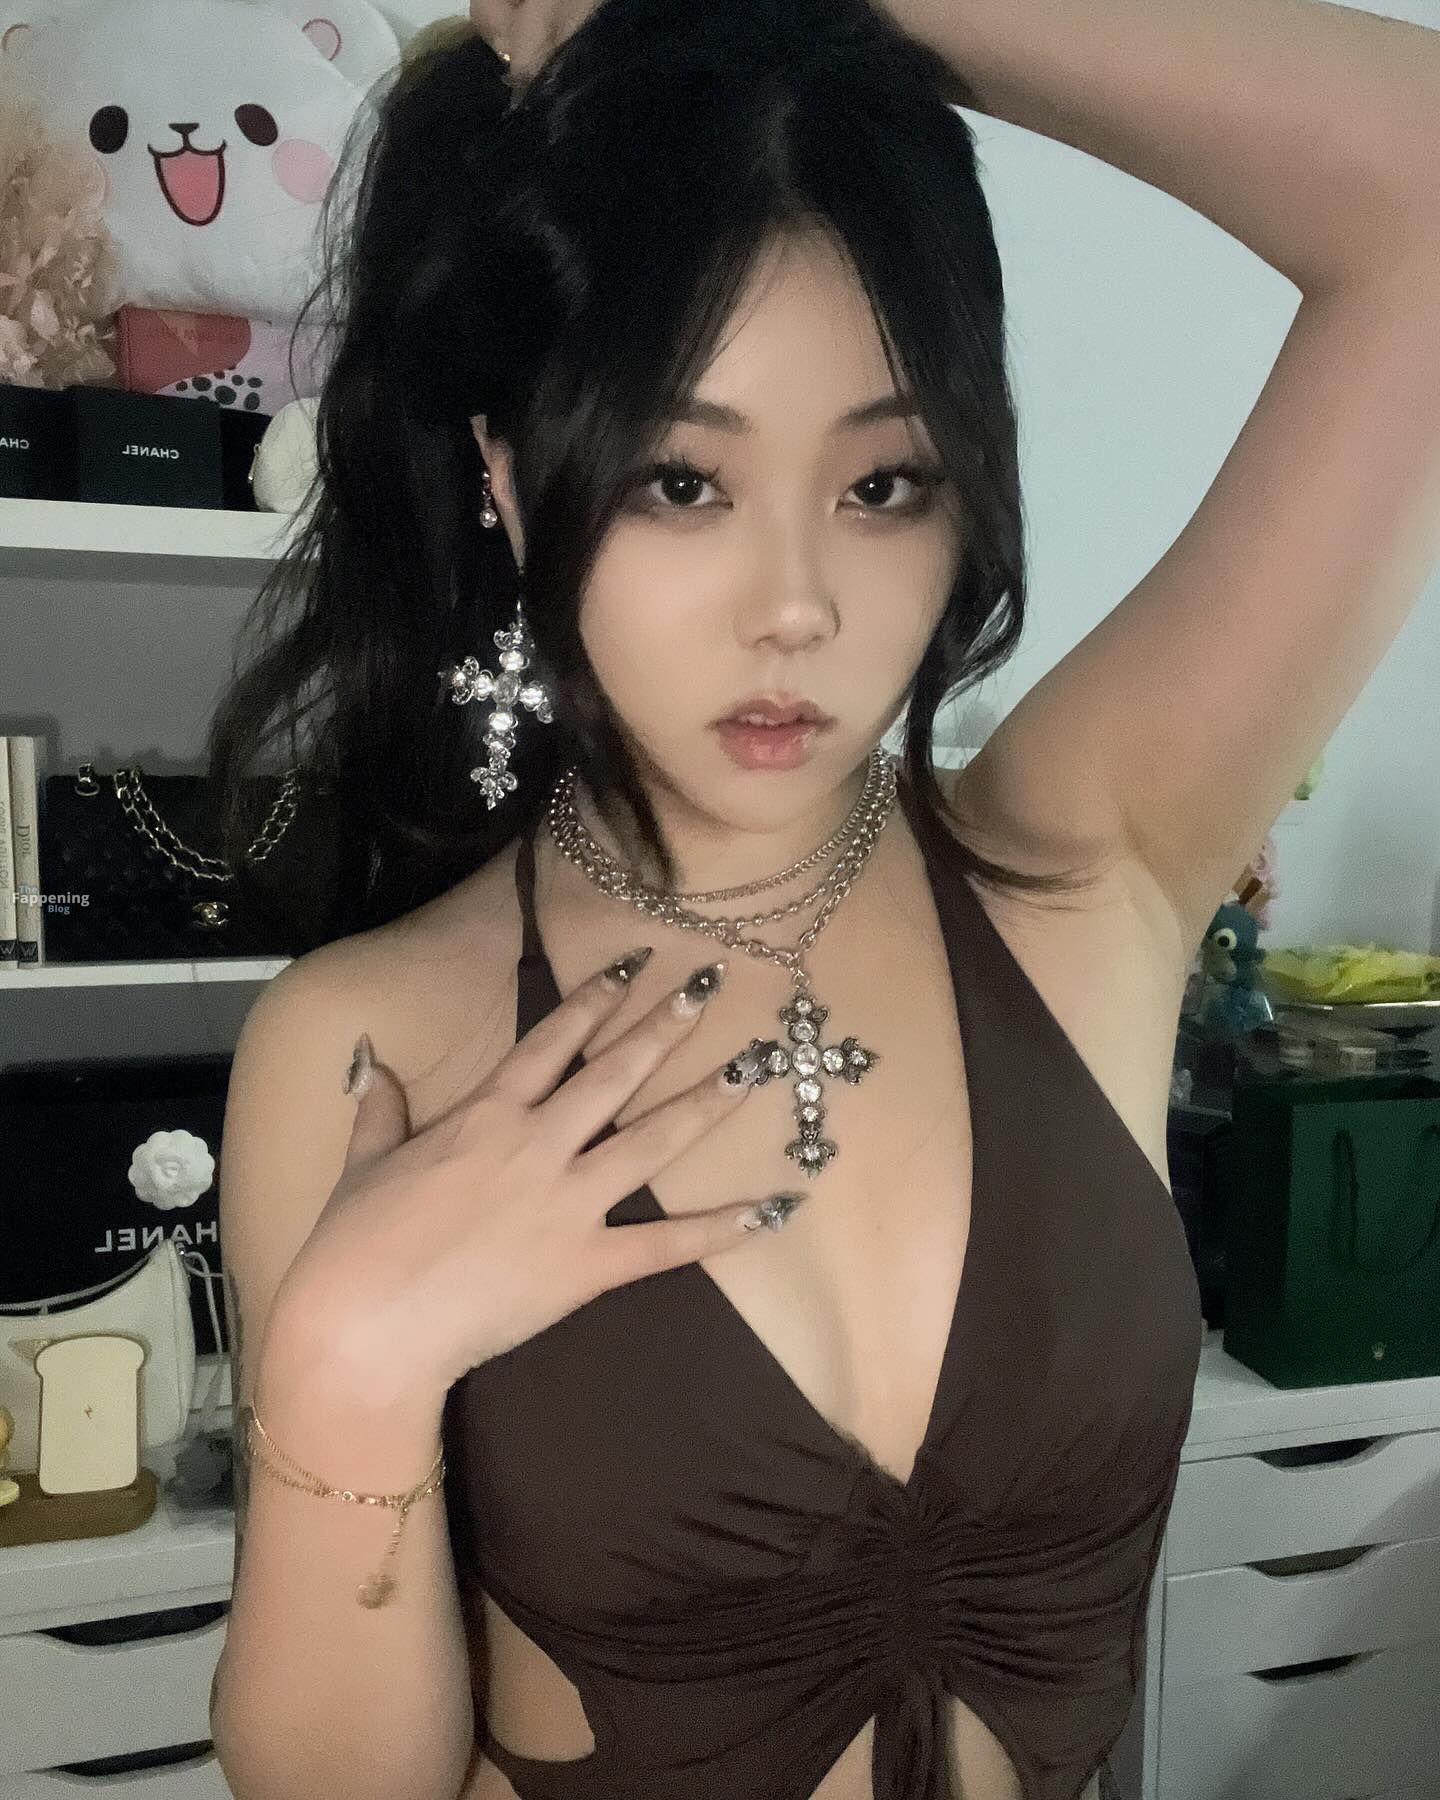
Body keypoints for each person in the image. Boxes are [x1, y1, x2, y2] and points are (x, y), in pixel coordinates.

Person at [203, 0, 1440, 1796]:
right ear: (508, 480)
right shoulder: (372, 1041)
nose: (793, 605)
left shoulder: (1082, 867)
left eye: (881, 483)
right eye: (681, 480)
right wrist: (346, 1363)